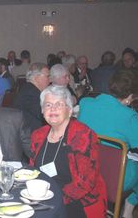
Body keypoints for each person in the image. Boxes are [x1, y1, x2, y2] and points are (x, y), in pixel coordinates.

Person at [30, 85, 107, 217]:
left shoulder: (83, 136)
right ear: (42, 111)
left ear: (70, 110)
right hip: (44, 195)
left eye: (59, 104)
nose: (52, 108)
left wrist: (51, 198)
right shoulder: (38, 135)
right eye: (48, 105)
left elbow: (84, 184)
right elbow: (33, 172)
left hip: (77, 201)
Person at [78, 68, 138, 218]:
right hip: (116, 177)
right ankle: (128, 210)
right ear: (130, 97)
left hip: (84, 169)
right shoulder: (129, 116)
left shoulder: (86, 103)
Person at [13, 63, 49, 132]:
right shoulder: (30, 93)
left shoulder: (30, 89)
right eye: (47, 76)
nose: (50, 80)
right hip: (30, 135)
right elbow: (44, 115)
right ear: (36, 78)